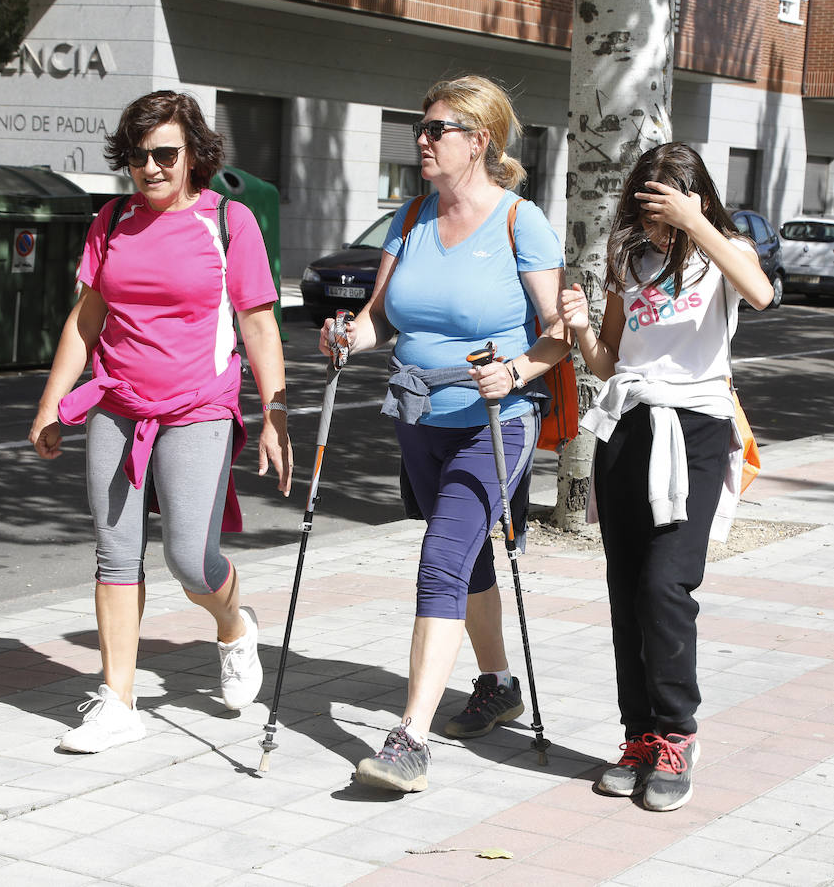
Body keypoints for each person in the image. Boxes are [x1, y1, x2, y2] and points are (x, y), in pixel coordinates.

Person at [319, 75, 569, 792]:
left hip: (496, 423)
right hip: (418, 418)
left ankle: (408, 739)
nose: (420, 141)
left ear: (477, 141)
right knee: (466, 560)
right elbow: (379, 317)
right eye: (419, 129)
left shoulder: (522, 223)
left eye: (435, 131)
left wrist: (518, 370)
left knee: (439, 560)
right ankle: (497, 684)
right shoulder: (409, 219)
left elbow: (560, 334)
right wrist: (345, 336)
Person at [29, 90, 293, 753]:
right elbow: (85, 320)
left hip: (198, 406)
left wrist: (275, 412)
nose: (149, 168)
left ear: (193, 155)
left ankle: (233, 626)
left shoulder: (228, 222)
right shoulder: (111, 221)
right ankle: (118, 702)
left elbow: (258, 324)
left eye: (164, 154)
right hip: (116, 404)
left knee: (188, 558)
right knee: (115, 551)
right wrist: (52, 402)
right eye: (138, 156)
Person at [558, 142, 773, 811]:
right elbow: (610, 359)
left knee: (663, 584)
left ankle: (678, 731)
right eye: (645, 210)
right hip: (627, 426)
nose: (655, 226)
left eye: (665, 210)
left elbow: (762, 294)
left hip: (698, 430)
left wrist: (695, 221)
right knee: (626, 590)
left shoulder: (723, 247)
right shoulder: (628, 256)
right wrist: (577, 332)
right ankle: (639, 735)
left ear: (694, 199)